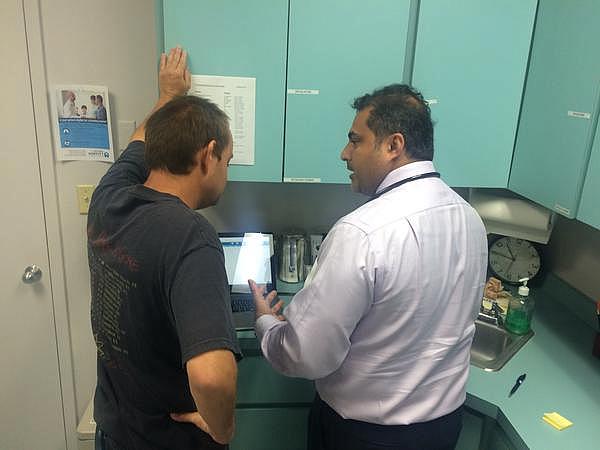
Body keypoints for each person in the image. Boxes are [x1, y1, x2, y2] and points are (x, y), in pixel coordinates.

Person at [250, 84, 488, 450]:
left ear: (393, 145)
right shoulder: (470, 219)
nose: (345, 154)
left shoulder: (361, 232)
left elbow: (307, 355)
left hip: (366, 435)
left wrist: (267, 324)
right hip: (441, 430)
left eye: (355, 141)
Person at [88, 47, 240, 450]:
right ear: (208, 155)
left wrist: (169, 95)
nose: (227, 171)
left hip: (114, 431)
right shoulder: (191, 236)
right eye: (228, 160)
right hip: (166, 441)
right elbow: (210, 375)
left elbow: (141, 139)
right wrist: (223, 430)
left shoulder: (109, 196)